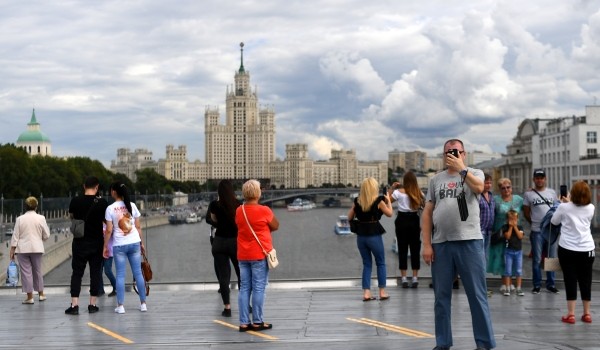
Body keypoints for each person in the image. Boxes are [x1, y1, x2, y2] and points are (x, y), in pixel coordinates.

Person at [421, 139, 495, 350]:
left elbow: (479, 188)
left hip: (469, 241)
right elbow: (427, 212)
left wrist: (462, 170)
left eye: (455, 152)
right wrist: (427, 244)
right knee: (441, 297)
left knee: (477, 295)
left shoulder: (475, 173)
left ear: (464, 153)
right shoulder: (436, 180)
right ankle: (442, 343)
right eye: (447, 152)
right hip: (442, 244)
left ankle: (484, 343)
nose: (450, 155)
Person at [235, 179, 279, 332]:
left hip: (242, 255)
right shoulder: (264, 210)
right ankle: (257, 322)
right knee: (259, 288)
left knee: (244, 288)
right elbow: (276, 225)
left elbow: (240, 226)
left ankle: (243, 323)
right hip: (259, 254)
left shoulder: (239, 210)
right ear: (258, 193)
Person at [551, 181, 595, 324]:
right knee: (586, 280)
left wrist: (561, 204)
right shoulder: (591, 208)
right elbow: (579, 212)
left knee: (570, 279)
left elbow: (554, 221)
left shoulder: (564, 207)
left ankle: (571, 315)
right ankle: (587, 314)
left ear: (572, 193)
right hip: (587, 249)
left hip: (567, 249)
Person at [65, 176, 109, 315]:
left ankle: (74, 305)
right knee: (95, 273)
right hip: (96, 242)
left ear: (84, 186)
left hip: (79, 242)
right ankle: (92, 304)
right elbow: (106, 223)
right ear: (97, 188)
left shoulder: (75, 201)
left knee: (77, 273)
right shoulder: (102, 203)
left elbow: (72, 217)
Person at [103, 182, 147, 314]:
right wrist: (142, 243)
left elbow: (109, 230)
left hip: (119, 245)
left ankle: (120, 306)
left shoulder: (110, 208)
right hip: (134, 242)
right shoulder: (132, 206)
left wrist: (105, 246)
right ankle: (143, 303)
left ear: (114, 192)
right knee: (138, 273)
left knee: (121, 275)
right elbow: (138, 227)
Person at [348, 177, 393, 301]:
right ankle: (382, 292)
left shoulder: (357, 201)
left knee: (367, 264)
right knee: (380, 263)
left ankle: (366, 293)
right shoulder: (379, 201)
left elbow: (349, 217)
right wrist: (388, 200)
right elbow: (390, 214)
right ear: (374, 188)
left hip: (361, 237)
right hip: (374, 235)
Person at [523, 169, 559, 294]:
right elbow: (526, 212)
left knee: (551, 258)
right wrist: (534, 222)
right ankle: (537, 285)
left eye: (541, 177)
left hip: (551, 230)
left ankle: (551, 284)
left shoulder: (552, 193)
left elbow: (556, 209)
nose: (539, 180)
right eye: (537, 178)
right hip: (536, 231)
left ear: (545, 179)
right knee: (537, 259)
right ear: (534, 179)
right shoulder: (529, 194)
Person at [208, 180, 241, 317]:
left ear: (219, 191)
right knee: (241, 274)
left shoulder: (214, 205)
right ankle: (247, 305)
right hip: (235, 242)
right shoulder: (238, 205)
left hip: (219, 242)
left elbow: (213, 220)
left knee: (224, 276)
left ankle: (227, 308)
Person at [9, 196, 50, 304]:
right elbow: (46, 235)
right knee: (38, 271)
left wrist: (12, 250)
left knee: (26, 273)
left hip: (22, 249)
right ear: (36, 206)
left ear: (25, 206)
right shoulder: (41, 218)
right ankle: (41, 294)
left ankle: (30, 297)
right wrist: (40, 238)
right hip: (37, 247)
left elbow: (15, 236)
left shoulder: (19, 219)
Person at [487, 178, 523, 295]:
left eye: (508, 187)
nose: (506, 190)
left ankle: (511, 283)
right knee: (502, 257)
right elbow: (490, 213)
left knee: (514, 256)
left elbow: (528, 206)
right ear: (499, 189)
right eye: (503, 188)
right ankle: (504, 283)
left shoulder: (518, 199)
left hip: (514, 233)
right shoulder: (496, 200)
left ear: (511, 188)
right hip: (501, 232)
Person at [390, 172, 424, 288]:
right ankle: (415, 278)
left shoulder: (398, 192)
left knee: (402, 248)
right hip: (414, 221)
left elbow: (387, 202)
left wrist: (392, 188)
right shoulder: (418, 193)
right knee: (415, 249)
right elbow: (424, 207)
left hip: (401, 220)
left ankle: (404, 278)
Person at [501, 210, 525, 297]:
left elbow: (520, 236)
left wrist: (515, 227)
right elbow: (507, 236)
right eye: (511, 219)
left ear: (517, 219)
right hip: (508, 252)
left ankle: (518, 288)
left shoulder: (520, 227)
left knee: (518, 270)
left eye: (515, 219)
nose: (513, 221)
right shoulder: (505, 227)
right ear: (507, 220)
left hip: (518, 252)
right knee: (508, 271)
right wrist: (511, 227)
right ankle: (507, 288)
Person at [478, 173, 495, 263]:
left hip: (489, 231)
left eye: (490, 183)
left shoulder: (491, 196)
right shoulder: (478, 196)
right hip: (480, 230)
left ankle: (483, 275)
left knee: (486, 256)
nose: (488, 185)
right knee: (480, 256)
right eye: (486, 183)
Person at [100, 222, 117, 297]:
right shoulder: (99, 224)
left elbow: (111, 234)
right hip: (99, 251)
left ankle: (116, 288)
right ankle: (100, 290)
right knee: (98, 271)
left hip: (109, 251)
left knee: (107, 271)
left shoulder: (111, 224)